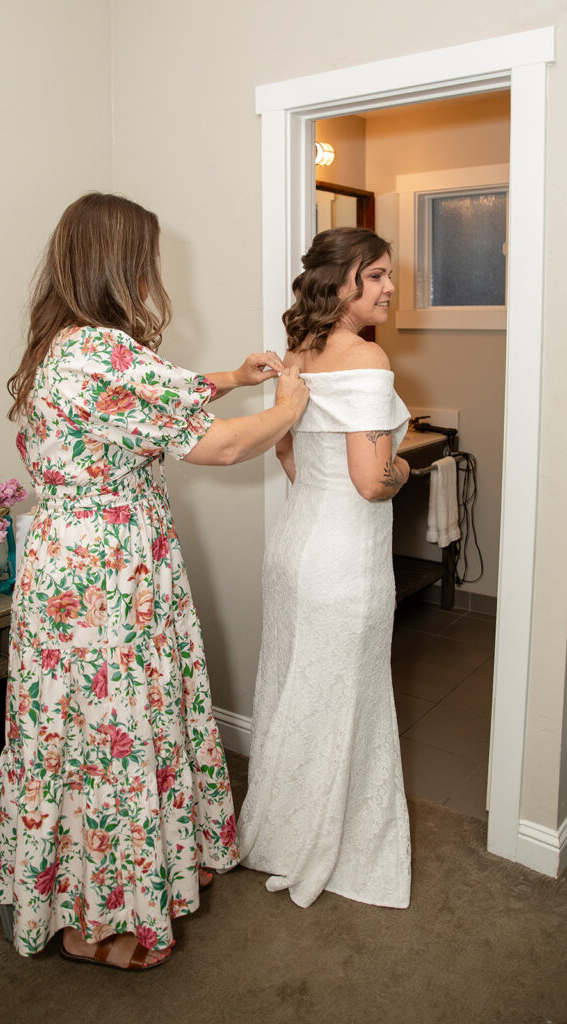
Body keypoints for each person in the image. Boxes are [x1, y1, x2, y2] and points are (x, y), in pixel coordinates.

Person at [0, 192, 309, 969]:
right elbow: (223, 450)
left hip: (70, 558)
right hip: (107, 569)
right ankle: (96, 922)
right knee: (112, 726)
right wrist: (288, 406)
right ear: (122, 263)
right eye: (146, 257)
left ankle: (133, 875)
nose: (153, 273)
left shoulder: (65, 347)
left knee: (91, 721)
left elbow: (147, 404)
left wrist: (233, 374)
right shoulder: (104, 353)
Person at [237, 226, 412, 910]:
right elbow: (372, 483)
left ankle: (280, 834)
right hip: (343, 560)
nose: (388, 288)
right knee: (342, 698)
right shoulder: (366, 361)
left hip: (293, 548)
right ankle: (325, 844)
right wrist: (404, 465)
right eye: (375, 276)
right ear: (340, 284)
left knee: (292, 693)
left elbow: (284, 455)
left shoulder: (297, 355)